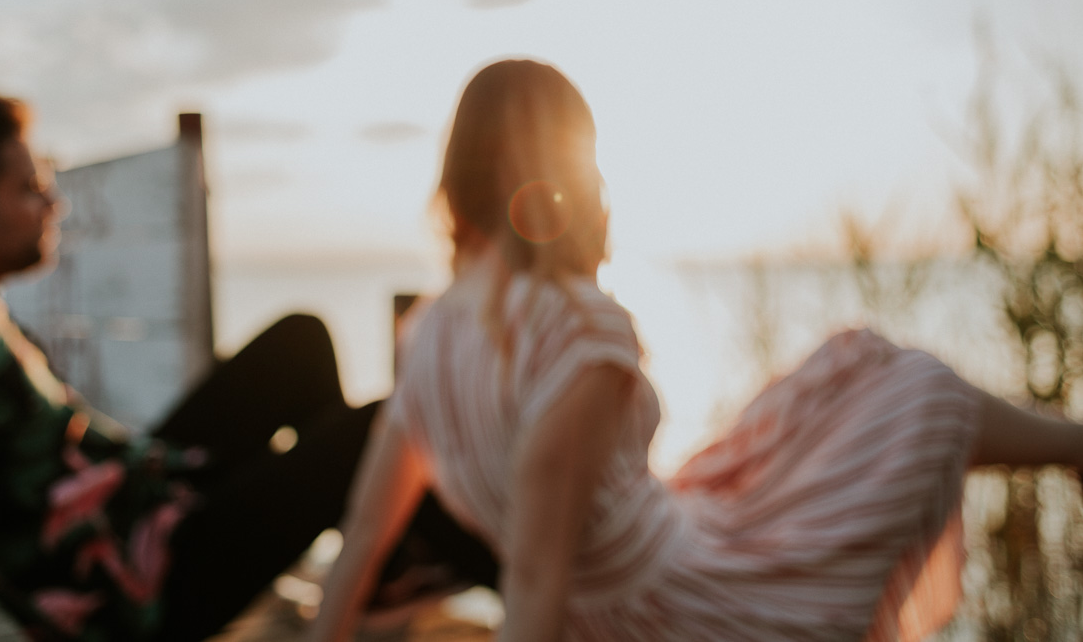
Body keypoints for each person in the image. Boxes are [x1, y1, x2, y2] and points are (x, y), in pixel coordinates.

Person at [311, 58, 1083, 642]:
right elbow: (537, 577)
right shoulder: (580, 332)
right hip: (670, 607)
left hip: (657, 542)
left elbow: (363, 536)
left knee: (855, 363)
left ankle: (1075, 445)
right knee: (921, 394)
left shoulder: (427, 338)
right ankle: (1075, 446)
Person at [0, 96, 496, 641]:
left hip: (140, 503)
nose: (52, 200)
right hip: (142, 592)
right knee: (376, 429)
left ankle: (386, 562)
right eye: (29, 187)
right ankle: (524, 577)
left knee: (301, 345)